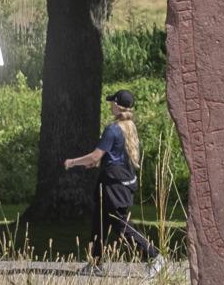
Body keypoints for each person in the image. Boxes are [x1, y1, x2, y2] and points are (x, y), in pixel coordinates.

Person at [62, 88, 163, 275]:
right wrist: (99, 162)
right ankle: (95, 263)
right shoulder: (129, 127)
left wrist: (72, 162)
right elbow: (114, 155)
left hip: (113, 185)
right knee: (99, 222)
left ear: (117, 105)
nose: (110, 106)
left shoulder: (113, 129)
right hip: (120, 180)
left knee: (120, 223)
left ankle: (154, 256)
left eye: (112, 103)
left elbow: (95, 156)